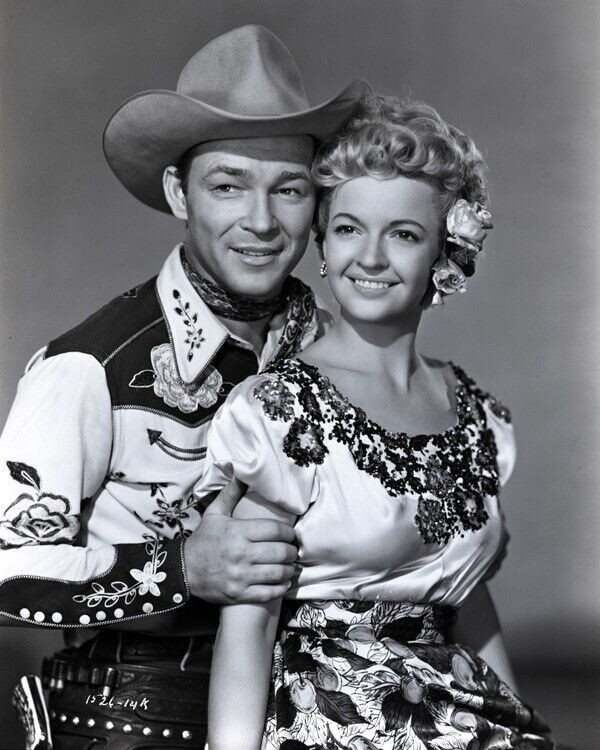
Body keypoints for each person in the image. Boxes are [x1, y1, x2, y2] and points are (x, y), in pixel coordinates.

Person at [0, 25, 369, 749]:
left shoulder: (341, 353)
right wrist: (180, 570)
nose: (261, 222)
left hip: (317, 713)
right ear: (179, 192)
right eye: (228, 186)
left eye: (289, 189)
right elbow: (5, 571)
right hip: (140, 717)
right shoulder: (89, 367)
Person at [195, 96, 556, 748]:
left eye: (403, 234)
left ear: (444, 256)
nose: (370, 257)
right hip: (336, 724)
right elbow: (247, 629)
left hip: (457, 717)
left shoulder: (477, 415)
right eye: (348, 229)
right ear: (323, 246)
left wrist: (516, 725)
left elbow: (468, 601)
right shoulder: (280, 412)